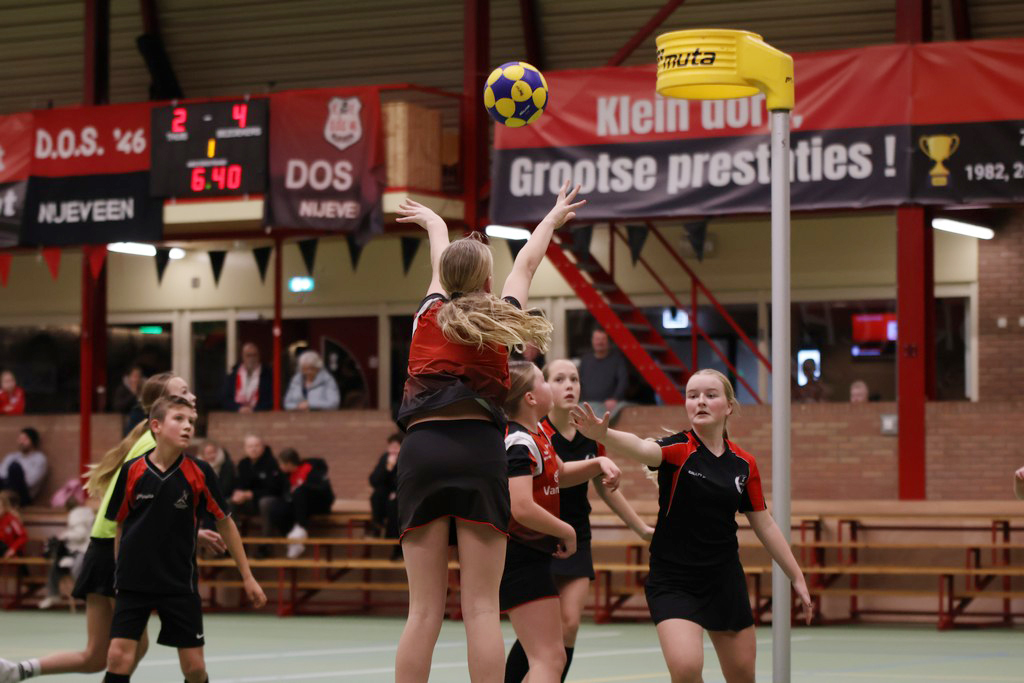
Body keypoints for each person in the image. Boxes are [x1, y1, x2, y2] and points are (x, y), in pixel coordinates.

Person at [392, 181, 583, 683]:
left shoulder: (427, 314)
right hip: (479, 451)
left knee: (422, 612)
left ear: (446, 278)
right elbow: (528, 263)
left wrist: (435, 224)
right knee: (480, 608)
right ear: (487, 279)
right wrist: (551, 219)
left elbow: (441, 265)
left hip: (422, 451)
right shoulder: (501, 319)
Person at [570, 369, 813, 683]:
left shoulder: (743, 464)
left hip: (723, 580)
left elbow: (764, 524)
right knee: (686, 669)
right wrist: (604, 435)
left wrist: (796, 576)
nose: (700, 401)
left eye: (710, 395)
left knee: (742, 676)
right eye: (693, 395)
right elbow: (642, 448)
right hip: (674, 580)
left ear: (728, 406)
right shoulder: (678, 449)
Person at [0, 372, 226, 683]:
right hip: (116, 550)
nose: (192, 397)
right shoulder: (155, 443)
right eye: (183, 392)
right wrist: (191, 533)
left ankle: (18, 671)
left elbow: (151, 508)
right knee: (126, 650)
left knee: (97, 655)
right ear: (162, 405)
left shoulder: (147, 437)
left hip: (103, 547)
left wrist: (190, 532)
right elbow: (149, 510)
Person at [505, 358, 654, 683]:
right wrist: (563, 530)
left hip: (572, 536)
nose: (569, 385)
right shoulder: (527, 435)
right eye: (557, 379)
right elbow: (522, 504)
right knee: (544, 641)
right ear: (534, 393)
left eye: (574, 378)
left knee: (566, 628)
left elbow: (574, 476)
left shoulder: (582, 433)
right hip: (536, 538)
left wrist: (640, 527)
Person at [101, 395, 266, 683]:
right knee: (118, 657)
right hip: (133, 581)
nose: (188, 426)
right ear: (156, 426)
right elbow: (119, 525)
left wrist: (248, 576)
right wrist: (117, 573)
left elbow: (225, 523)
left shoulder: (200, 472)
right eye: (179, 419)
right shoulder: (132, 471)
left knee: (194, 668)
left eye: (191, 421)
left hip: (178, 582)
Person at [271, 448, 335, 559]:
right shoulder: (287, 475)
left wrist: (302, 489)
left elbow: (322, 490)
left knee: (300, 491)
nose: (280, 467)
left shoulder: (310, 469)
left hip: (317, 503)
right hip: (298, 506)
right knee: (277, 510)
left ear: (289, 463)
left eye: (281, 464)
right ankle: (292, 540)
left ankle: (301, 528)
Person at [38, 496, 95, 610]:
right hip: (85, 549)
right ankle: (53, 594)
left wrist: (64, 536)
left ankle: (54, 594)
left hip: (80, 550)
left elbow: (80, 534)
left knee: (62, 565)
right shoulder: (87, 512)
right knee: (57, 565)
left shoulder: (76, 515)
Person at [231, 435, 285, 545]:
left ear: (263, 447)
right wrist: (237, 493)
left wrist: (251, 494)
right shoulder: (243, 464)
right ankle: (231, 544)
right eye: (250, 446)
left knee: (265, 503)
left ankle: (265, 545)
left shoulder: (272, 463)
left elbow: (275, 489)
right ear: (245, 449)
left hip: (271, 501)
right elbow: (239, 483)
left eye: (256, 446)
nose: (253, 449)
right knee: (229, 502)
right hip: (249, 502)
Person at [578, 328, 629, 423]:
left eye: (603, 339)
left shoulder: (617, 360)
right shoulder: (585, 360)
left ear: (608, 342)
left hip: (609, 407)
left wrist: (615, 398)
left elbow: (623, 381)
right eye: (597, 339)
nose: (600, 342)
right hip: (586, 405)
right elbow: (579, 381)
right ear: (592, 341)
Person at [0, 428, 48, 506]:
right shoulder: (11, 457)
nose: (21, 442)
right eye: (20, 439)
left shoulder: (39, 459)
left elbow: (30, 482)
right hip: (5, 489)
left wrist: (16, 476)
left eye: (25, 439)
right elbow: (1, 474)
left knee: (14, 467)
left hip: (23, 495)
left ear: (32, 441)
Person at [222, 342, 273, 412]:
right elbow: (225, 399)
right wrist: (239, 408)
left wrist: (254, 409)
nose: (252, 358)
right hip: (236, 414)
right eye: (248, 355)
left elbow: (270, 400)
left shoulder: (267, 375)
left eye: (254, 355)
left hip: (259, 414)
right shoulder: (233, 375)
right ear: (242, 356)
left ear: (259, 356)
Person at [369, 433, 402, 539]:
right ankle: (377, 526)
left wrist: (395, 492)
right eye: (391, 447)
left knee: (393, 505)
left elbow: (404, 481)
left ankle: (393, 539)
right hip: (386, 493)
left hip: (399, 493)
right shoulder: (385, 458)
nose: (393, 451)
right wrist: (388, 467)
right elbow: (374, 480)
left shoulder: (405, 459)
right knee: (377, 495)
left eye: (396, 447)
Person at [198, 440, 237, 526]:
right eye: (208, 453)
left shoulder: (227, 465)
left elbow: (226, 487)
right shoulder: (199, 467)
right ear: (203, 455)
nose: (212, 456)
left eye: (213, 452)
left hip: (223, 496)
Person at [112, 366, 143, 434]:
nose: (136, 379)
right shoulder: (122, 389)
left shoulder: (142, 389)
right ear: (129, 377)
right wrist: (133, 394)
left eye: (139, 376)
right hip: (127, 422)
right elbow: (118, 407)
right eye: (134, 376)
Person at [0, 490, 26, 560]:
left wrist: (13, 549)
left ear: (4, 507)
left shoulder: (11, 519)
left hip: (12, 552)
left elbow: (23, 537)